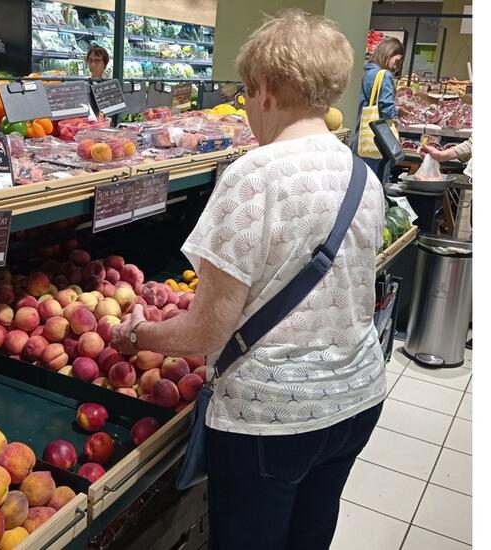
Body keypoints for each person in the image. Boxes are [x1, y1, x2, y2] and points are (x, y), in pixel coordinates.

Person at [111, 10, 386, 550]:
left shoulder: (253, 175)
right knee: (310, 535)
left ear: (263, 89)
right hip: (357, 398)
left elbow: (203, 334)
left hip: (272, 419)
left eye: (244, 90)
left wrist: (136, 333)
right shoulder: (361, 174)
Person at [354, 37, 405, 179]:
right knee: (378, 182)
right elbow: (386, 110)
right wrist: (398, 110)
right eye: (397, 61)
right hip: (376, 139)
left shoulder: (364, 71)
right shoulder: (384, 75)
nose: (396, 66)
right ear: (388, 54)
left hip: (361, 136)